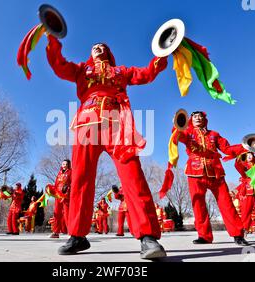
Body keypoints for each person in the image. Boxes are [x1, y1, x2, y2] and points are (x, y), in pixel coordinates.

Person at [46, 34, 168, 259]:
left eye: (102, 46)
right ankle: (77, 236)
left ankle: (148, 237)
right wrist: (53, 43)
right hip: (86, 124)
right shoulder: (82, 69)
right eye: (94, 47)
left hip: (117, 125)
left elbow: (146, 74)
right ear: (90, 54)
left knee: (133, 176)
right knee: (81, 179)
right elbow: (60, 66)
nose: (98, 48)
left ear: (109, 53)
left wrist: (159, 58)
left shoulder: (121, 71)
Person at [171, 111, 249, 246]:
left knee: (227, 204)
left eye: (200, 116)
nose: (198, 118)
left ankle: (238, 234)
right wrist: (178, 124)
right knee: (198, 204)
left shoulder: (214, 134)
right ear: (191, 120)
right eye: (195, 116)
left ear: (205, 120)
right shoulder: (187, 133)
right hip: (195, 172)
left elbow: (227, 149)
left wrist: (246, 146)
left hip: (216, 172)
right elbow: (177, 136)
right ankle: (204, 236)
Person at [49, 160, 72, 239]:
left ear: (68, 165)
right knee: (56, 213)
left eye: (66, 164)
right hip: (58, 195)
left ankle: (71, 232)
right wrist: (52, 190)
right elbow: (56, 184)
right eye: (63, 163)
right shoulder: (59, 173)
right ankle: (56, 232)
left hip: (66, 196)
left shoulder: (70, 172)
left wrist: (67, 191)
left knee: (67, 214)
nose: (64, 165)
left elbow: (72, 183)